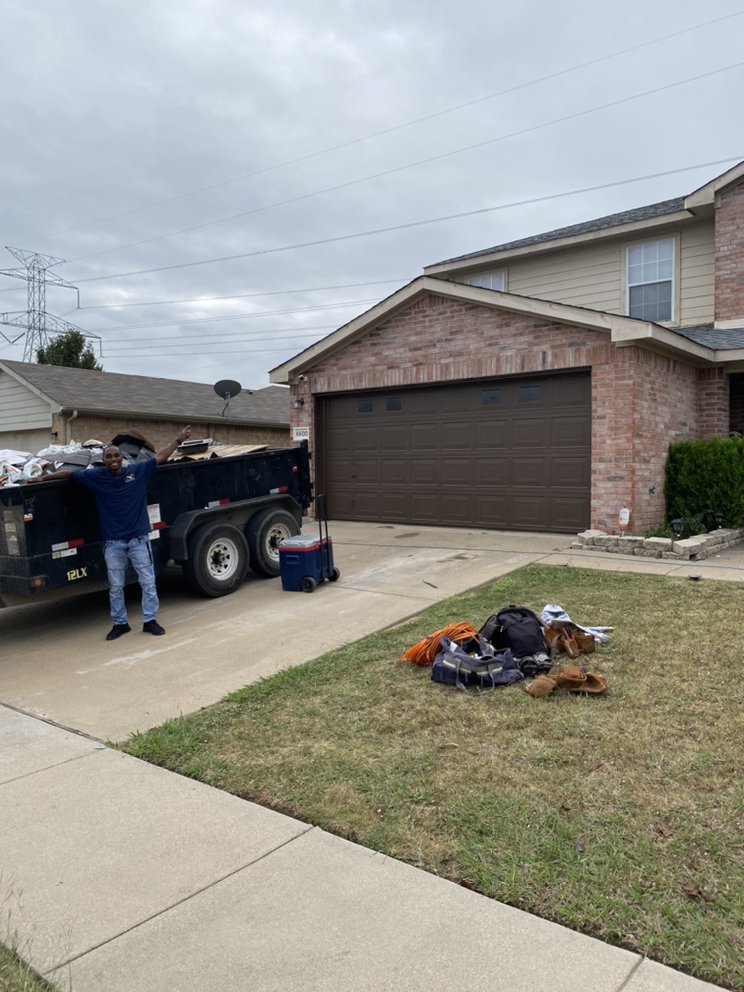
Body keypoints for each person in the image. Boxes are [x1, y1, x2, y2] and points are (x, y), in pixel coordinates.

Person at [29, 426, 192, 641]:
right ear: (103, 460)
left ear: (122, 458)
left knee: (148, 582)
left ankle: (150, 620)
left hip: (139, 540)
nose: (113, 459)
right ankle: (120, 623)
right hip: (114, 544)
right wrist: (41, 479)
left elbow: (160, 456)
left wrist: (178, 440)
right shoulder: (96, 477)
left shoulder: (137, 472)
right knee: (115, 587)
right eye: (109, 457)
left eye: (116, 455)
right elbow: (69, 473)